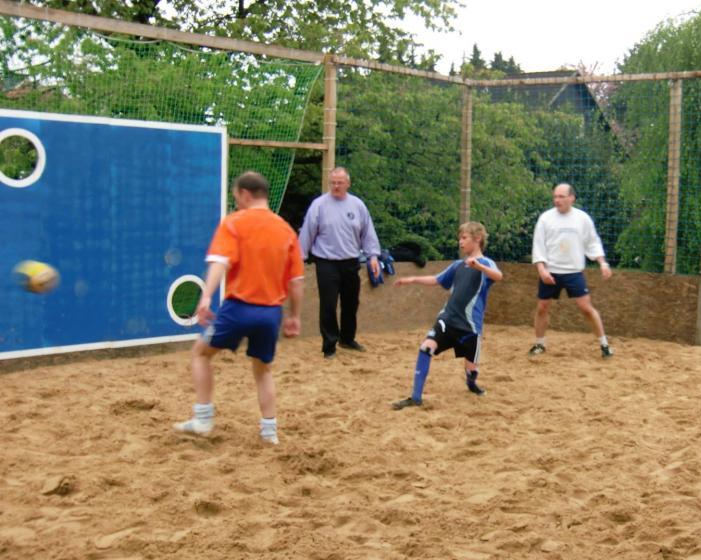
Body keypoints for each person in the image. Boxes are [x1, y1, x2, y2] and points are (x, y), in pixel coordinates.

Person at [173, 171, 304, 445]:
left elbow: (220, 262)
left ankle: (203, 418)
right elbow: (296, 281)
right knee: (263, 369)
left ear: (245, 194)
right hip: (270, 313)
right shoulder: (286, 230)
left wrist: (206, 297)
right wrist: (294, 316)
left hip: (238, 308)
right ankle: (269, 433)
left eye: (237, 197)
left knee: (200, 353)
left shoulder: (234, 223)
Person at [391, 222, 503, 410]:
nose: (460, 242)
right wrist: (412, 279)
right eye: (460, 238)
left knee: (471, 368)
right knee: (426, 347)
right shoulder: (458, 265)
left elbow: (498, 276)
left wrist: (478, 266)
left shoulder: (485, 263)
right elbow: (436, 279)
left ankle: (471, 382)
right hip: (448, 320)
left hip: (469, 327)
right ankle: (416, 397)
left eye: (464, 238)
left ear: (477, 239)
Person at [298, 167, 381, 358]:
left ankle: (347, 338)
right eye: (333, 182)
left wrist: (373, 256)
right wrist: (299, 257)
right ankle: (329, 345)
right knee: (328, 304)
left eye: (340, 183)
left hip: (351, 261)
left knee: (351, 303)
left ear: (348, 184)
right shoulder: (318, 205)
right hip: (326, 262)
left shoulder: (357, 205)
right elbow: (307, 233)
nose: (336, 186)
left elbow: (368, 232)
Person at [529, 183, 614, 358]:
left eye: (561, 196)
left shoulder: (582, 219)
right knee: (542, 307)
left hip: (574, 272)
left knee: (585, 307)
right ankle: (539, 344)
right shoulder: (545, 218)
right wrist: (542, 269)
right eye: (555, 197)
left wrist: (602, 263)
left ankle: (604, 345)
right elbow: (538, 246)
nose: (557, 200)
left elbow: (593, 242)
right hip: (551, 271)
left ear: (572, 198)